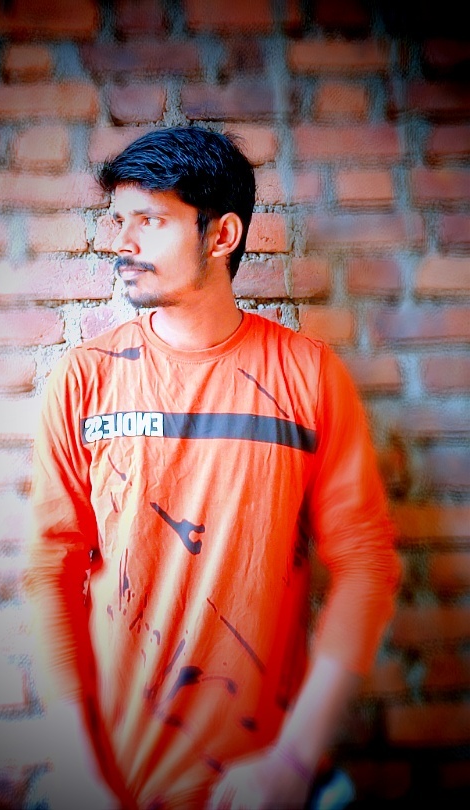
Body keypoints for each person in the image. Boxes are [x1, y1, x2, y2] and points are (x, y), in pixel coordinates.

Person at [25, 126, 400, 810]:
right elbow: (49, 573)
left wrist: (294, 762)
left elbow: (366, 564)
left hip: (265, 787)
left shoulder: (308, 375)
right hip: (113, 784)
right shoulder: (83, 380)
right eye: (119, 220)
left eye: (150, 221)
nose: (121, 242)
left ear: (222, 235)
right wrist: (77, 773)